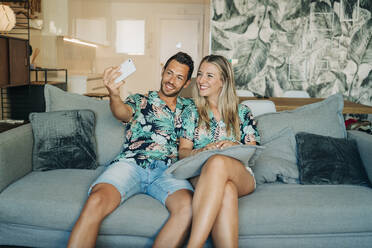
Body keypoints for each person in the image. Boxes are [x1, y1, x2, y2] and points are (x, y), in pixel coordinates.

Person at [67, 52, 195, 248]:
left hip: (168, 170)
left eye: (179, 77)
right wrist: (114, 94)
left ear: (186, 83)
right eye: (169, 73)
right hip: (131, 164)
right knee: (96, 201)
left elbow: (188, 146)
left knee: (188, 208)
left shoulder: (189, 109)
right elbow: (122, 112)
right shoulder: (140, 100)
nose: (171, 80)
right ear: (162, 72)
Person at [178, 54, 260, 248]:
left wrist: (237, 146)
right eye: (200, 74)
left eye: (209, 76)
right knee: (227, 190)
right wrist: (201, 151)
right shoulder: (191, 111)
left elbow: (253, 150)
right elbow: (183, 152)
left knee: (217, 162)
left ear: (223, 81)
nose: (201, 80)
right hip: (200, 174)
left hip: (240, 174)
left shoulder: (242, 112)